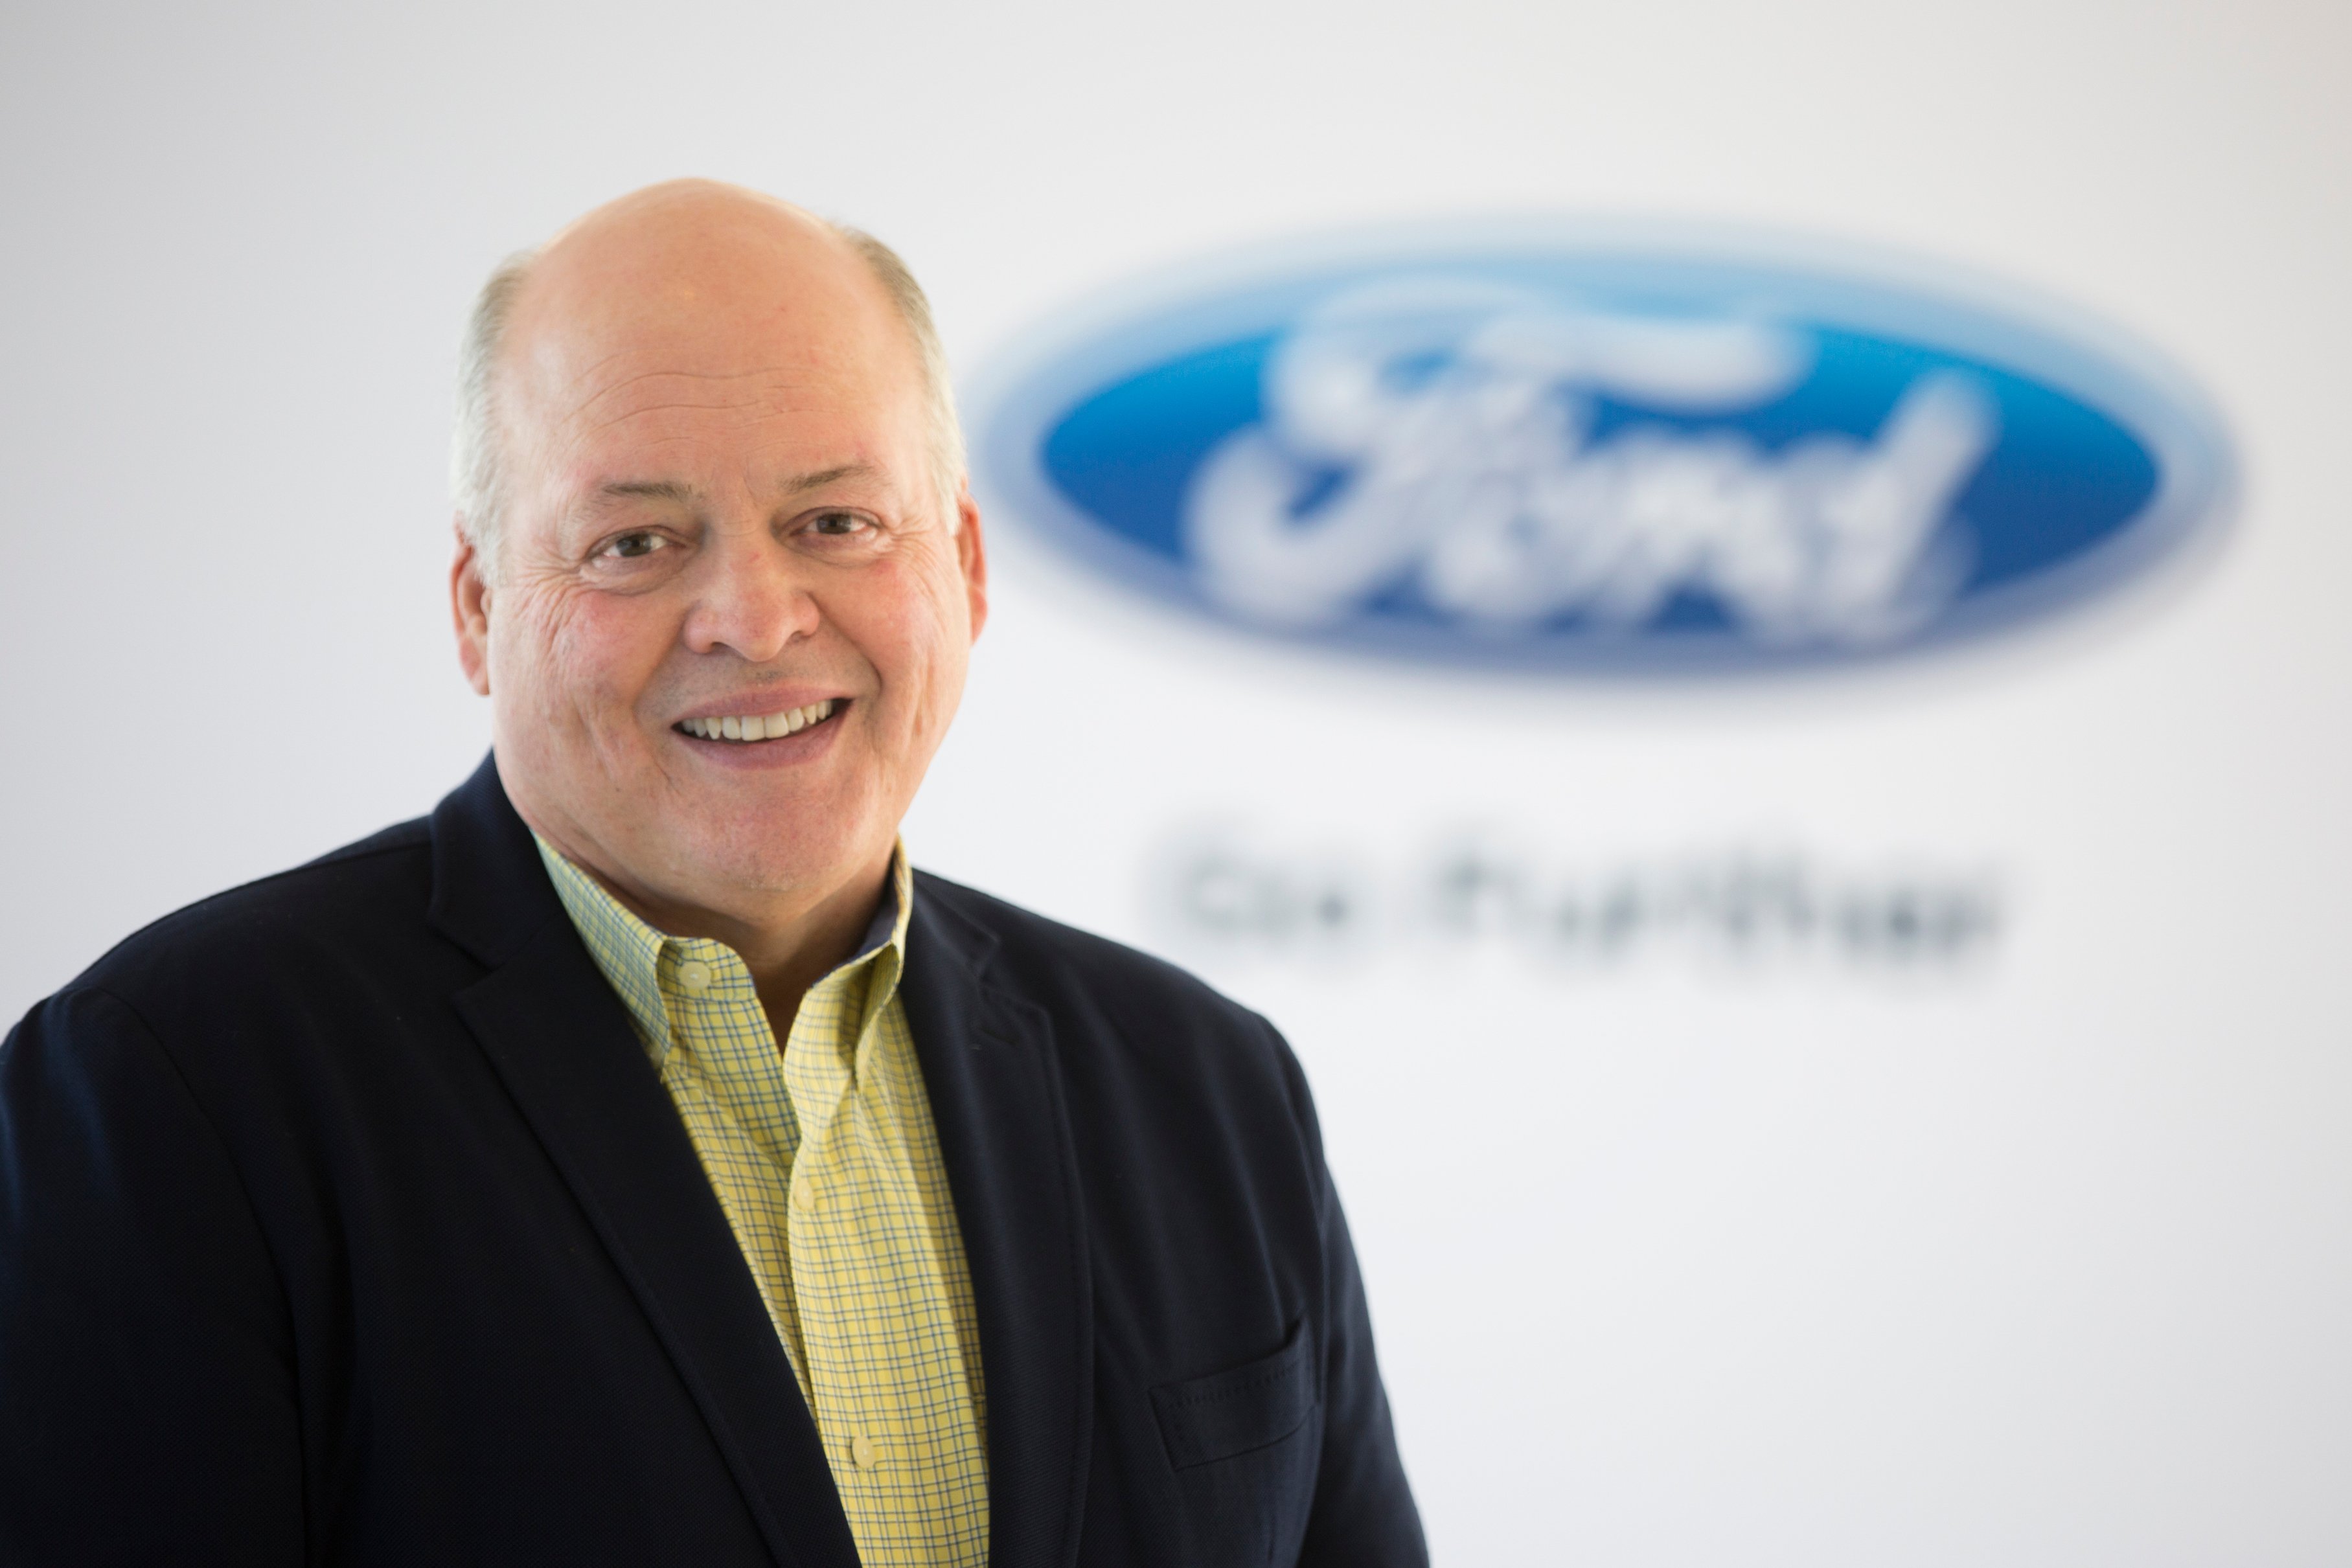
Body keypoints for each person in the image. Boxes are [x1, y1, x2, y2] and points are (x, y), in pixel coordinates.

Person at [0, 180, 1424, 1567]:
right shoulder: (174, 1089)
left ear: (967, 568)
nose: (752, 617)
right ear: (481, 611)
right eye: (635, 543)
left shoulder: (1211, 1087)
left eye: (836, 521)